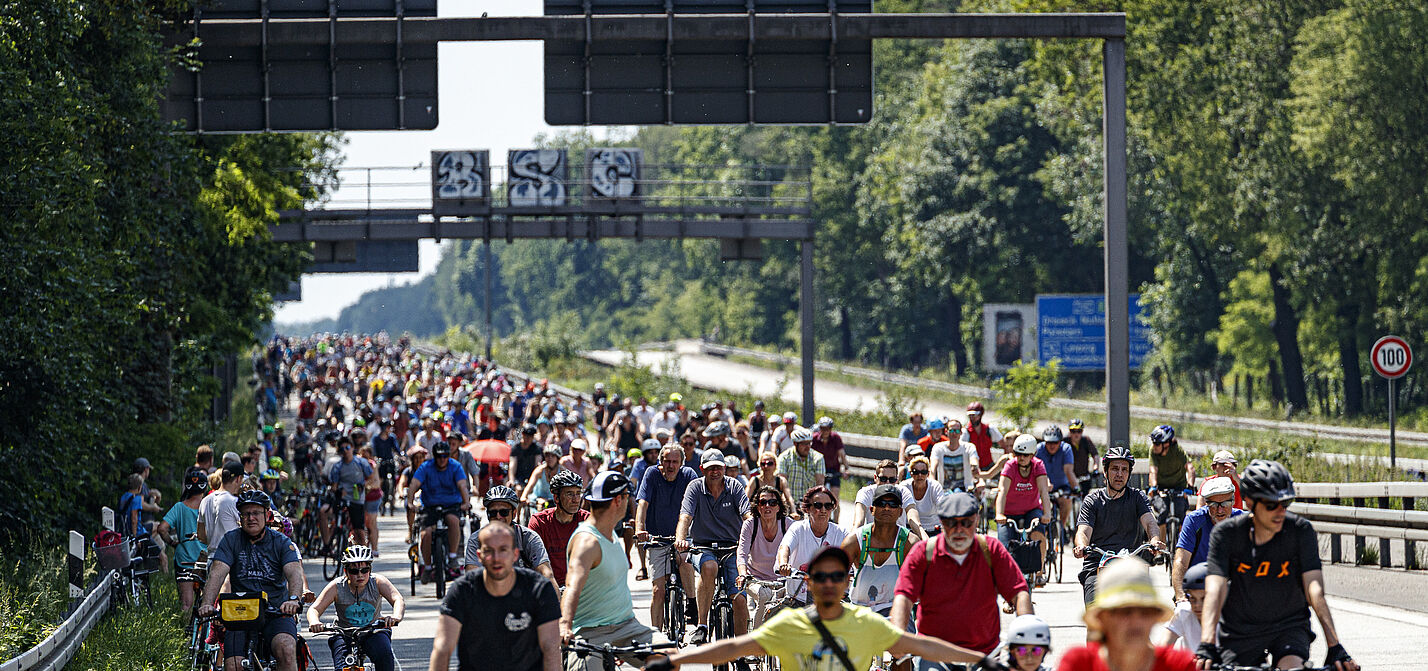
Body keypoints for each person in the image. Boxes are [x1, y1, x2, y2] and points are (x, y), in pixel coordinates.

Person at [651, 546, 989, 671]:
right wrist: (674, 660)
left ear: (847, 583)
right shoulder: (787, 626)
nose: (829, 583)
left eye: (837, 576)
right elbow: (731, 648)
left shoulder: (867, 624)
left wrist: (981, 660)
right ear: (809, 583)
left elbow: (923, 646)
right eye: (821, 577)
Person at [1195, 460, 1357, 671]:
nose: (1280, 511)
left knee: (1293, 667)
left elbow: (1314, 589)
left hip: (1288, 625)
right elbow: (1215, 590)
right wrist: (1207, 643)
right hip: (1240, 629)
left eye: (1285, 504)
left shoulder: (1300, 531)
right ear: (1250, 502)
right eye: (1271, 505)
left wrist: (1334, 645)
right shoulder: (1226, 534)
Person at [892, 492, 1032, 670]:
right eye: (952, 523)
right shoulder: (924, 552)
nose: (959, 530)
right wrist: (897, 634)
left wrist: (1028, 634)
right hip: (934, 655)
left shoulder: (991, 549)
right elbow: (903, 597)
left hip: (985, 654)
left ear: (976, 520)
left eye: (966, 523)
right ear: (942, 523)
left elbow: (1019, 593)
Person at [560, 471, 661, 671]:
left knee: (669, 658)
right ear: (618, 500)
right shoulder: (587, 542)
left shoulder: (610, 531)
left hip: (627, 627)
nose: (629, 502)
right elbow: (572, 586)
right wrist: (565, 625)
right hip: (590, 632)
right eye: (627, 497)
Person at [431, 522, 563, 671]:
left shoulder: (539, 590)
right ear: (479, 556)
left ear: (515, 554)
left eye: (503, 550)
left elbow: (551, 648)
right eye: (488, 551)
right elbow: (442, 648)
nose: (496, 558)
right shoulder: (462, 590)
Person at [198, 491, 305, 671]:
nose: (251, 518)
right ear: (240, 518)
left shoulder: (281, 542)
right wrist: (207, 603)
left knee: (286, 649)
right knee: (233, 665)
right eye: (246, 514)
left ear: (267, 515)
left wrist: (294, 599)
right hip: (240, 613)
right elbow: (217, 573)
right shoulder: (230, 540)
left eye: (256, 513)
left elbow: (294, 573)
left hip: (276, 611)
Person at [1057, 557, 1195, 671]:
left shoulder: (1179, 665)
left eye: (1145, 612)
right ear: (1103, 618)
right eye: (1125, 612)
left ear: (1155, 618)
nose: (1136, 621)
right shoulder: (1079, 664)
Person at [675, 449, 752, 644]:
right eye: (710, 468)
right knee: (709, 567)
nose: (715, 472)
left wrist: (755, 536)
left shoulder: (734, 486)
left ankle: (743, 650)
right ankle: (702, 625)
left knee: (739, 599)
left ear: (724, 468)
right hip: (703, 546)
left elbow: (747, 515)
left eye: (718, 467)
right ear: (702, 469)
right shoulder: (695, 487)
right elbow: (685, 517)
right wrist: (681, 539)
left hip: (732, 547)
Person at [1072, 446, 1165, 605]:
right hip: (1097, 565)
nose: (1120, 474)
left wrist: (1155, 540)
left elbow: (1150, 522)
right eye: (1115, 469)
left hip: (1131, 565)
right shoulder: (1092, 500)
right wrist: (1081, 546)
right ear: (1105, 471)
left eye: (1124, 469)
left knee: (1144, 609)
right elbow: (1083, 531)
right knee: (1094, 611)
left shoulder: (1137, 497)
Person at [307, 545, 404, 671]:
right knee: (342, 668)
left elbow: (397, 599)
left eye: (364, 570)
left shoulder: (378, 582)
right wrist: (314, 622)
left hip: (373, 631)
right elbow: (314, 609)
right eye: (354, 571)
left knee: (384, 656)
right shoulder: (337, 586)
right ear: (346, 571)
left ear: (370, 569)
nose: (360, 575)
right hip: (344, 633)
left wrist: (396, 616)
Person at [635, 444, 700, 624]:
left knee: (684, 559)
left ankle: (692, 604)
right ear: (660, 462)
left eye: (675, 462)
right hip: (657, 539)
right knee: (658, 591)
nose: (670, 466)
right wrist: (640, 528)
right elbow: (642, 503)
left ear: (681, 463)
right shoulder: (651, 474)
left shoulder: (689, 475)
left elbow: (698, 503)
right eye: (667, 461)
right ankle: (656, 634)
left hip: (683, 538)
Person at [841, 484, 915, 627]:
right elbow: (835, 576)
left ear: (900, 512)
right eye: (881, 503)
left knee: (904, 640)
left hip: (896, 609)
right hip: (859, 609)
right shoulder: (854, 541)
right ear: (871, 509)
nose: (887, 508)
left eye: (893, 505)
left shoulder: (909, 542)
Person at [406, 440, 472, 582]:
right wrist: (410, 502)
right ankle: (427, 567)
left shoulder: (455, 466)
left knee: (453, 521)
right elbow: (414, 485)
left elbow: (462, 486)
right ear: (434, 456)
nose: (442, 459)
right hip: (430, 506)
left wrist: (466, 502)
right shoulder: (426, 467)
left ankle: (453, 557)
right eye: (439, 456)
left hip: (451, 504)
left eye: (445, 456)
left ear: (448, 456)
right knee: (426, 533)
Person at [1170, 477, 1241, 601]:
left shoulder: (1243, 521)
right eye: (1213, 505)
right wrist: (1180, 596)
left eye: (1225, 504)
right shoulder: (1194, 521)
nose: (1220, 510)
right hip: (1199, 591)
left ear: (1233, 501)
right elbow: (1181, 561)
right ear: (1206, 504)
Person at [465, 485, 555, 581]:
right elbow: (472, 577)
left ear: (514, 513)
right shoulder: (476, 540)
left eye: (504, 512)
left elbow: (546, 572)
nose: (498, 517)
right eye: (493, 513)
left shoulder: (529, 538)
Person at [775, 486, 847, 604]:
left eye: (828, 506)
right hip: (797, 599)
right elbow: (785, 547)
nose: (823, 510)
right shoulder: (798, 528)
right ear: (808, 509)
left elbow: (853, 555)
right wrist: (783, 564)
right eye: (818, 505)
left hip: (829, 600)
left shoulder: (841, 533)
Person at [738, 484, 792, 628]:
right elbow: (742, 553)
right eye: (763, 502)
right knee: (764, 595)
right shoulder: (750, 524)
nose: (767, 506)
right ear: (757, 506)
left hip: (782, 580)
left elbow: (798, 549)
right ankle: (757, 639)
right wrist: (743, 574)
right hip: (755, 579)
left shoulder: (787, 524)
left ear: (779, 507)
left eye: (772, 502)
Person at [156, 468, 210, 611]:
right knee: (207, 601)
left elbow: (162, 528)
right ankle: (203, 625)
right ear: (205, 487)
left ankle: (184, 626)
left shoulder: (179, 507)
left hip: (184, 560)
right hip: (205, 559)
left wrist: (172, 543)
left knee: (186, 603)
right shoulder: (209, 507)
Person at [528, 470, 591, 587]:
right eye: (570, 494)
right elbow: (535, 561)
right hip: (549, 586)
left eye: (578, 493)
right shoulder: (540, 522)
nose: (576, 499)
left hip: (582, 588)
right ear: (556, 498)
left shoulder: (587, 520)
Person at [849, 460, 924, 536]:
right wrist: (850, 541)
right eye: (883, 479)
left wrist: (926, 541)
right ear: (875, 478)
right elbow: (858, 522)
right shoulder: (865, 493)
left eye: (892, 480)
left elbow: (915, 522)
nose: (888, 483)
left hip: (898, 539)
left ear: (897, 480)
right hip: (873, 538)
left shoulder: (903, 492)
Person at [324, 439, 374, 546]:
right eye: (342, 449)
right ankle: (328, 544)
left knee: (359, 530)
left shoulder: (361, 463)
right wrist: (337, 490)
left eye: (347, 448)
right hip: (343, 498)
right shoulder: (337, 466)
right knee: (329, 515)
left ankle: (363, 550)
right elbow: (334, 485)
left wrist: (363, 485)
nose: (345, 451)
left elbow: (371, 478)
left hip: (356, 499)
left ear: (352, 448)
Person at [1148, 425, 1194, 541]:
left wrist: (1190, 486)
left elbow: (1190, 468)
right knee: (1162, 511)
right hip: (1160, 487)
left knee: (1181, 513)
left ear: (1166, 444)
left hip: (1179, 487)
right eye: (1153, 443)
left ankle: (1182, 544)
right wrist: (1154, 487)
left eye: (1157, 444)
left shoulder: (1177, 451)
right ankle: (1161, 546)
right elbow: (1153, 471)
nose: (1154, 446)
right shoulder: (1153, 451)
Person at [1156, 563, 1208, 651]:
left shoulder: (1227, 617)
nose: (1197, 605)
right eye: (1193, 598)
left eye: (1204, 599)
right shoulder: (1184, 612)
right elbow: (1163, 645)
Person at [1036, 426, 1078, 529]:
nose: (1052, 446)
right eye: (1049, 442)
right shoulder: (1038, 449)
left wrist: (1076, 488)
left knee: (1066, 500)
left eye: (1055, 442)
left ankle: (1062, 528)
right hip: (1043, 486)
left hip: (1061, 485)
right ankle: (1043, 529)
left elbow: (1068, 471)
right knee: (1039, 506)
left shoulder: (1066, 449)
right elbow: (1035, 470)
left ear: (1060, 442)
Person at [810, 417, 848, 521]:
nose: (825, 431)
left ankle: (836, 522)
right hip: (818, 470)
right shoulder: (814, 439)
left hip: (833, 469)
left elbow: (842, 454)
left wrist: (846, 469)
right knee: (816, 496)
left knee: (835, 498)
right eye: (823, 428)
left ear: (831, 429)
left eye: (827, 429)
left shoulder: (835, 438)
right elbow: (810, 454)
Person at [198, 462, 244, 545]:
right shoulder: (234, 502)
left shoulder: (205, 501)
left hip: (211, 552)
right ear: (238, 479)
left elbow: (200, 535)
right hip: (230, 552)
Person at [902, 455, 946, 537]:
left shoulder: (935, 486)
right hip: (909, 530)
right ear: (910, 473)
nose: (920, 475)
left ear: (928, 473)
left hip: (933, 529)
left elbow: (942, 507)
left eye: (923, 472)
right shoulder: (904, 487)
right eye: (916, 472)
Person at [749, 449, 797, 516]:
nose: (766, 466)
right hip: (758, 514)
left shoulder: (781, 481)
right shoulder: (754, 480)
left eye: (770, 463)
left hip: (776, 515)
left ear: (775, 465)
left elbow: (789, 498)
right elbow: (746, 498)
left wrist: (794, 512)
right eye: (763, 464)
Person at [964, 402, 1003, 468]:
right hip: (972, 468)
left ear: (980, 415)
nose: (972, 418)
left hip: (989, 467)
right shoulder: (965, 432)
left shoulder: (990, 429)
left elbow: (1004, 445)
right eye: (970, 415)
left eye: (974, 415)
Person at [1066, 419, 1100, 495]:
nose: (1076, 434)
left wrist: (1095, 468)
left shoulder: (1086, 440)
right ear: (1069, 432)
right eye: (1073, 431)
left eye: (1079, 431)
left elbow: (1095, 455)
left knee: (1085, 497)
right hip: (1069, 478)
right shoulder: (1065, 442)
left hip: (1084, 477)